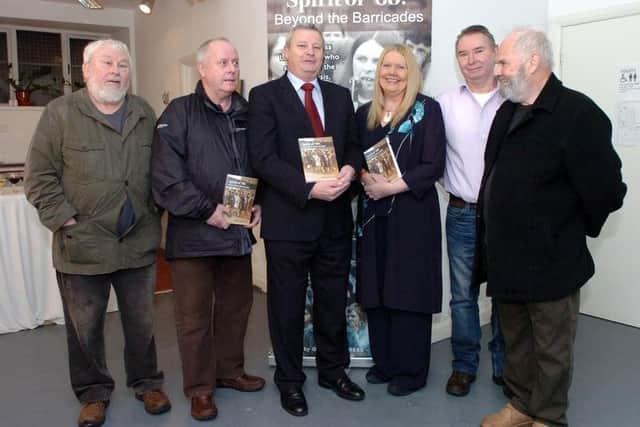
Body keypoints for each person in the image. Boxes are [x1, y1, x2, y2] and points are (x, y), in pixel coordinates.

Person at [477, 28, 626, 427]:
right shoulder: (508, 110)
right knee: (517, 342)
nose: (497, 70)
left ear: (532, 61)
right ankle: (522, 405)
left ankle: (549, 416)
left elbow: (607, 189)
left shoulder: (578, 114)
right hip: (507, 257)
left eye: (504, 62)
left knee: (551, 347)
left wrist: (565, 229)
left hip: (552, 259)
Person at [24, 39, 171, 427]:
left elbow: (158, 169)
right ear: (86, 69)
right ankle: (92, 394)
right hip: (82, 246)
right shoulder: (60, 113)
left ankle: (147, 383)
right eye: (106, 63)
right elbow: (38, 179)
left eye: (123, 64)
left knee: (142, 323)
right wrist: (66, 221)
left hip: (138, 242)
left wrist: (155, 210)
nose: (116, 71)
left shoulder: (143, 110)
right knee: (84, 329)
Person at [248, 24, 365, 417]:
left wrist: (349, 170)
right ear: (287, 52)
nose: (311, 52)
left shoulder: (339, 96)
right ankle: (290, 382)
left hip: (333, 220)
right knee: (286, 307)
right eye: (303, 46)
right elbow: (263, 158)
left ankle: (334, 372)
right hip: (289, 221)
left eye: (317, 47)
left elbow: (353, 145)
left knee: (333, 302)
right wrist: (308, 189)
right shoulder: (264, 97)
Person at [151, 37, 265, 422]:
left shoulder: (249, 112)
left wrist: (260, 201)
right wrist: (207, 211)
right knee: (194, 318)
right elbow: (166, 178)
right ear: (202, 70)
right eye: (222, 62)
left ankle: (230, 371)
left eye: (235, 61)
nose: (232, 68)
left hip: (236, 235)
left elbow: (260, 165)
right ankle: (200, 389)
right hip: (194, 236)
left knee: (236, 309)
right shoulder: (178, 113)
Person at [356, 44, 445, 396]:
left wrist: (391, 187)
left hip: (412, 214)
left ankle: (411, 371)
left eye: (401, 67)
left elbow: (433, 164)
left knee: (408, 290)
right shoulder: (365, 113)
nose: (392, 73)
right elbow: (353, 158)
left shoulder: (428, 110)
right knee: (376, 289)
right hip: (373, 215)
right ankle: (386, 363)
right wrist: (366, 179)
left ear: (412, 73)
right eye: (386, 66)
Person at [437, 25, 507, 398]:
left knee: (504, 292)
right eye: (463, 53)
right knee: (463, 295)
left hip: (505, 216)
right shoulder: (444, 103)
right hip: (462, 213)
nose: (472, 60)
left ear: (495, 52)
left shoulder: (515, 101)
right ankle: (464, 366)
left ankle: (504, 365)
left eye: (479, 51)